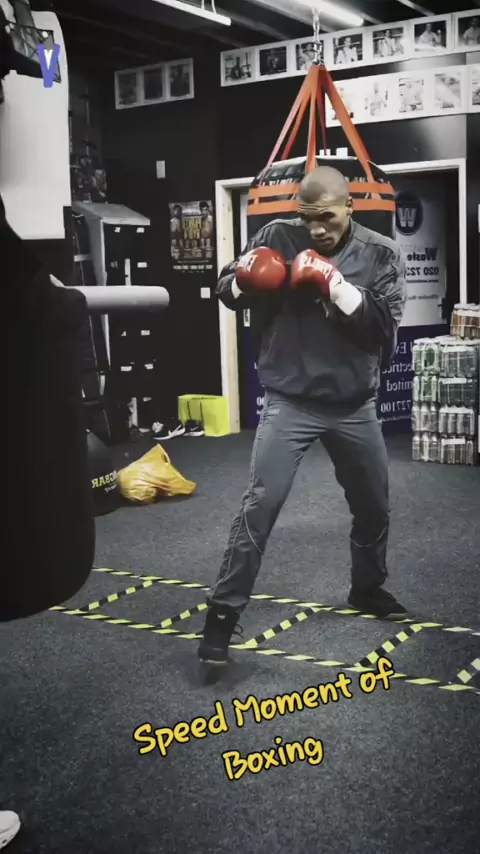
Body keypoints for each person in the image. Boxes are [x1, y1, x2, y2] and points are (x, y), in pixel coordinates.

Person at [198, 165, 412, 665]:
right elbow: (225, 288)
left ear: (349, 207)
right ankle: (222, 616)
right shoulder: (276, 235)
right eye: (308, 217)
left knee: (374, 507)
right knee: (260, 506)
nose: (316, 228)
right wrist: (248, 281)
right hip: (290, 400)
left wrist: (334, 283)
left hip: (353, 404)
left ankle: (367, 588)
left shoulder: (381, 253)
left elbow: (383, 328)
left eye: (327, 217)